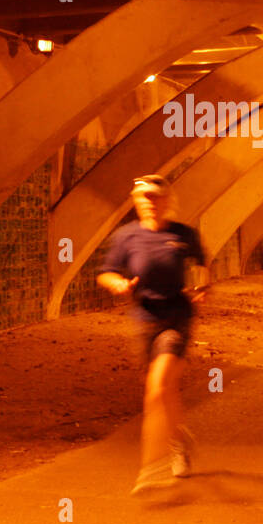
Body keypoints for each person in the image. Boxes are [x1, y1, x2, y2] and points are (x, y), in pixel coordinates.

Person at [97, 174, 208, 494]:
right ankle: (180, 441)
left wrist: (202, 286)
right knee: (167, 392)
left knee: (157, 389)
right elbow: (106, 272)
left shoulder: (184, 234)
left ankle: (150, 468)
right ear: (136, 201)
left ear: (167, 201)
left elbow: (201, 266)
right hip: (145, 320)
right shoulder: (126, 237)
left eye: (156, 197)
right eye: (144, 197)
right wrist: (117, 283)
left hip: (177, 318)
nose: (150, 202)